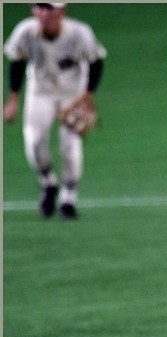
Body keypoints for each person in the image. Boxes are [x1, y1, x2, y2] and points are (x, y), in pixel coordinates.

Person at [3, 3, 106, 219]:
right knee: (34, 143)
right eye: (39, 7)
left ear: (61, 11)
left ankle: (69, 197)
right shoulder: (25, 31)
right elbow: (17, 60)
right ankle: (48, 183)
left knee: (70, 147)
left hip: (73, 94)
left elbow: (96, 61)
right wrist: (13, 99)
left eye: (49, 8)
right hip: (40, 91)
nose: (43, 13)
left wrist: (87, 96)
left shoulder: (79, 33)